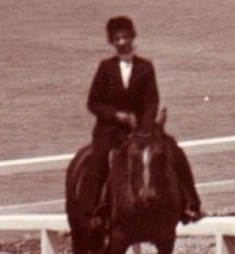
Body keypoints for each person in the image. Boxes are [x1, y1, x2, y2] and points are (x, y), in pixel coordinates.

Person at [85, 16, 203, 223]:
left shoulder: (145, 67)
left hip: (141, 128)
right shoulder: (105, 68)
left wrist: (146, 126)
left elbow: (152, 100)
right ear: (112, 42)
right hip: (111, 130)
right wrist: (117, 115)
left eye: (125, 37)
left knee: (173, 150)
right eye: (117, 38)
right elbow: (93, 102)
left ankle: (191, 205)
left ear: (133, 37)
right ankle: (94, 212)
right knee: (99, 158)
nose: (122, 42)